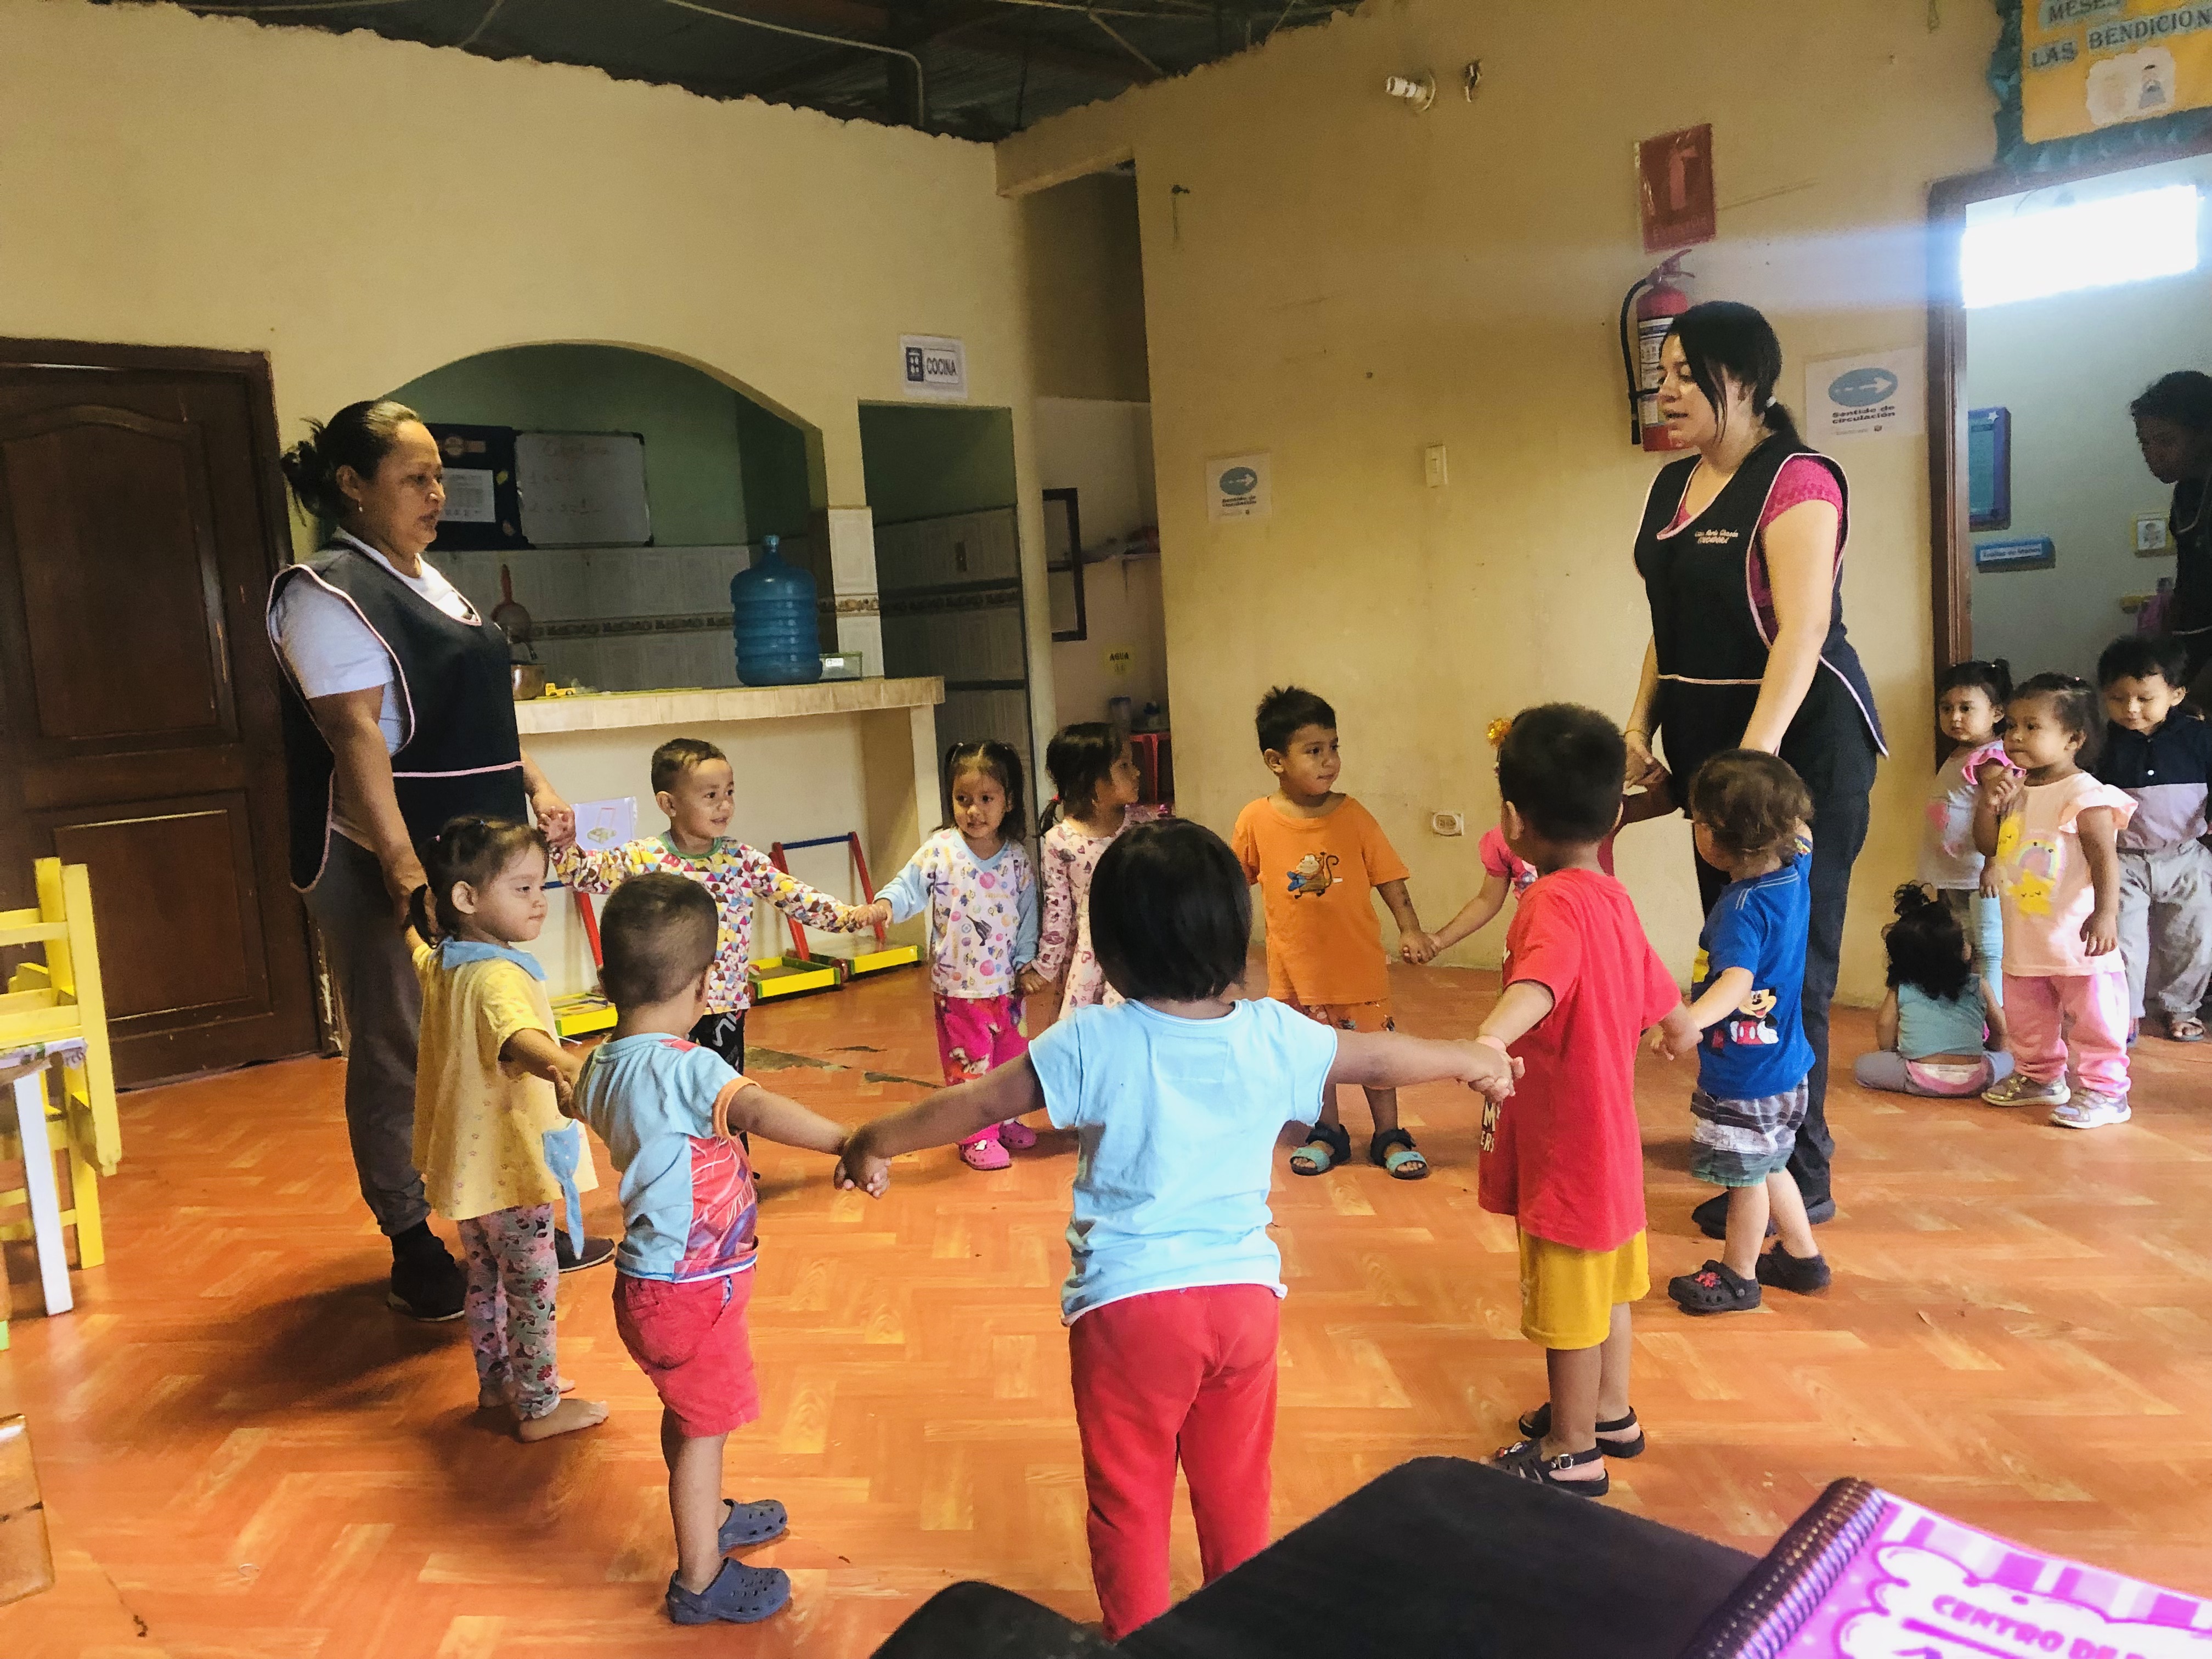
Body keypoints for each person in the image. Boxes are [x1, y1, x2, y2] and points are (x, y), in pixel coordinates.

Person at [833, 820, 1515, 1639]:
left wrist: (875, 1138)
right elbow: (1375, 1057)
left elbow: (977, 1102)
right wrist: (1468, 1056)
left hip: (1131, 1313)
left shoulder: (1092, 1039)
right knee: (1237, 1490)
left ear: (1113, 954)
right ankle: (1243, 1627)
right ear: (1234, 936)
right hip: (1244, 1304)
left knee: (1130, 1501)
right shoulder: (1273, 1033)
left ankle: (1140, 1643)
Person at [267, 399, 605, 1321]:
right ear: (352, 485)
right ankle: (411, 1238)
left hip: (472, 857)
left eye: (438, 476)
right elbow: (355, 737)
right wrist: (402, 868)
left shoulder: (429, 582)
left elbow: (481, 713)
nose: (435, 493)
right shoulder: (327, 590)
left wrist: (536, 781)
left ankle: (515, 1216)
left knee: (496, 1031)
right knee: (401, 1046)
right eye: (414, 477)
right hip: (383, 855)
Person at [1623, 301, 1885, 1240]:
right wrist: (1639, 727)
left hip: (1797, 753)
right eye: (1661, 376)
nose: (1666, 392)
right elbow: (1668, 628)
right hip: (1717, 753)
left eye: (1683, 374)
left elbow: (1802, 631)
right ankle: (1752, 1154)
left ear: (1744, 380)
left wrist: (1753, 759)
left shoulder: (1797, 480)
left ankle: (1798, 1176)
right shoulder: (1672, 485)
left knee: (1787, 965)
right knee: (1730, 953)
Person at [571, 874, 882, 1628]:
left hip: (651, 1286)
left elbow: (571, 1094)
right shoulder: (690, 1066)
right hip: (692, 1291)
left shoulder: (601, 1067)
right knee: (704, 1429)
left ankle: (707, 1514)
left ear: (607, 981)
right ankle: (700, 1578)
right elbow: (760, 1111)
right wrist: (847, 1140)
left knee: (687, 1412)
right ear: (706, 983)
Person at [1471, 706, 1695, 1496]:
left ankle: (1571, 1451)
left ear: (1514, 821)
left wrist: (1488, 1040)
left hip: (1566, 1149)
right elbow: (1661, 994)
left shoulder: (1551, 903)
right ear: (1612, 816)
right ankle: (1610, 1413)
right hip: (1612, 1145)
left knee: (1569, 1307)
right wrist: (1681, 1029)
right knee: (1610, 1292)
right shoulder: (1612, 897)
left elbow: (1542, 981)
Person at [404, 816, 605, 1441]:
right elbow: (519, 1038)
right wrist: (571, 1070)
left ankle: (498, 1383)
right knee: (532, 1287)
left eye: (540, 886)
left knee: (486, 1280)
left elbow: (416, 947)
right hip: (511, 1166)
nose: (540, 901)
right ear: (466, 898)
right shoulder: (498, 977)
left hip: (469, 1169)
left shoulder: (446, 962)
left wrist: (411, 911)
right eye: (522, 889)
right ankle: (539, 1406)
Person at [548, 737, 884, 1075]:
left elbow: (796, 896)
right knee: (665, 1086)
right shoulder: (643, 857)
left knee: (723, 1090)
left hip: (725, 1004)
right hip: (661, 1004)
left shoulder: (742, 860)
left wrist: (849, 917)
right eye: (711, 796)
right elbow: (584, 874)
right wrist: (563, 842)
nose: (724, 805)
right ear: (669, 804)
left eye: (730, 793)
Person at [1231, 686, 1434, 1179]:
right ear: (1276, 761)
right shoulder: (1256, 819)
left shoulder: (1353, 814)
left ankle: (1390, 1135)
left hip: (1356, 968)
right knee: (1313, 1057)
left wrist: (1410, 928)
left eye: (1334, 747)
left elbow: (1390, 877)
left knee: (1375, 1054)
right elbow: (1232, 883)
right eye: (1314, 750)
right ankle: (1328, 1132)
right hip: (1294, 973)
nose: (1329, 761)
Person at [1661, 752, 1829, 1316]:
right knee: (1771, 1161)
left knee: (1745, 1178)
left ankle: (1739, 1275)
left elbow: (1736, 982)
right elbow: (1802, 827)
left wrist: (1689, 1023)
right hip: (1786, 1063)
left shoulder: (1740, 909)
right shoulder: (1796, 865)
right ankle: (1802, 1259)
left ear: (1713, 836)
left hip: (1747, 1073)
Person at [1975, 675, 2136, 1128]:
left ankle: (2106, 1091)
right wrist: (1988, 805)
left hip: (2078, 938)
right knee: (2028, 1016)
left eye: (2032, 727)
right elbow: (1988, 846)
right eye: (2011, 726)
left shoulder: (2085, 795)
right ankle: (2039, 1077)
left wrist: (2106, 914)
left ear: (2073, 740)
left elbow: (2104, 860)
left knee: (2096, 1018)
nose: (2015, 736)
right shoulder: (2015, 788)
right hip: (2027, 935)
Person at [876, 740, 1041, 1170]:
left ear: (1009, 801)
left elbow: (1028, 915)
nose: (973, 811)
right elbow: (907, 887)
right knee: (969, 1066)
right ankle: (975, 1135)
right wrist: (887, 905)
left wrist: (1028, 964)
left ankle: (1004, 1120)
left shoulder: (1017, 859)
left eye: (986, 799)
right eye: (963, 799)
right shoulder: (941, 850)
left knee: (1010, 1061)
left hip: (1008, 988)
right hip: (959, 989)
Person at [1414, 716, 1675, 963]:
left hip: (1595, 946)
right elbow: (1487, 901)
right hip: (1538, 943)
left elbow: (1664, 802)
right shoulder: (1500, 843)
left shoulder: (1593, 822)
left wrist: (1651, 773)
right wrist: (1440, 940)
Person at [2093, 635, 2212, 1044]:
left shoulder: (2199, 738)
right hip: (2122, 860)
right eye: (2118, 698)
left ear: (2177, 695)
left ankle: (2182, 1007)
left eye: (2145, 699)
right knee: (2124, 942)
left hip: (2185, 856)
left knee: (2192, 938)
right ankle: (2125, 1012)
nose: (2130, 709)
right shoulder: (2099, 744)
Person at [1025, 723, 1168, 1018]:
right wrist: (1045, 966)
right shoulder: (1059, 841)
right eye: (1124, 766)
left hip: (1141, 950)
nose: (1137, 772)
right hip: (1090, 960)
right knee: (1093, 1029)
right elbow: (1058, 911)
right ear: (1089, 781)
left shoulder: (1143, 826)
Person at [1854, 883, 2014, 1098]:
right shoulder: (1979, 984)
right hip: (1974, 1079)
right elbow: (2000, 1029)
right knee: (2010, 1059)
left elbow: (1885, 1025)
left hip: (1919, 1077)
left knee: (1863, 1066)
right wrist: (1990, 1051)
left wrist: (1892, 1053)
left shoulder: (1903, 986)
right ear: (1958, 952)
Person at [1921, 660, 2018, 1003]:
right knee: (1965, 944)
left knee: (1989, 947)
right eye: (1946, 708)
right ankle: (1974, 1010)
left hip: (1980, 874)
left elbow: (2004, 812)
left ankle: (1996, 1015)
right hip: (1957, 874)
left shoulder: (1990, 759)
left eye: (1966, 708)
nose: (1955, 717)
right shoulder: (1960, 755)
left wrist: (1993, 865)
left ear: (1997, 713)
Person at [2130, 370, 2212, 695]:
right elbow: (2189, 577)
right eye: (2145, 442)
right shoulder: (2187, 491)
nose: (2152, 453)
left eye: (2166, 441)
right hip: (2192, 643)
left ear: (2205, 433)